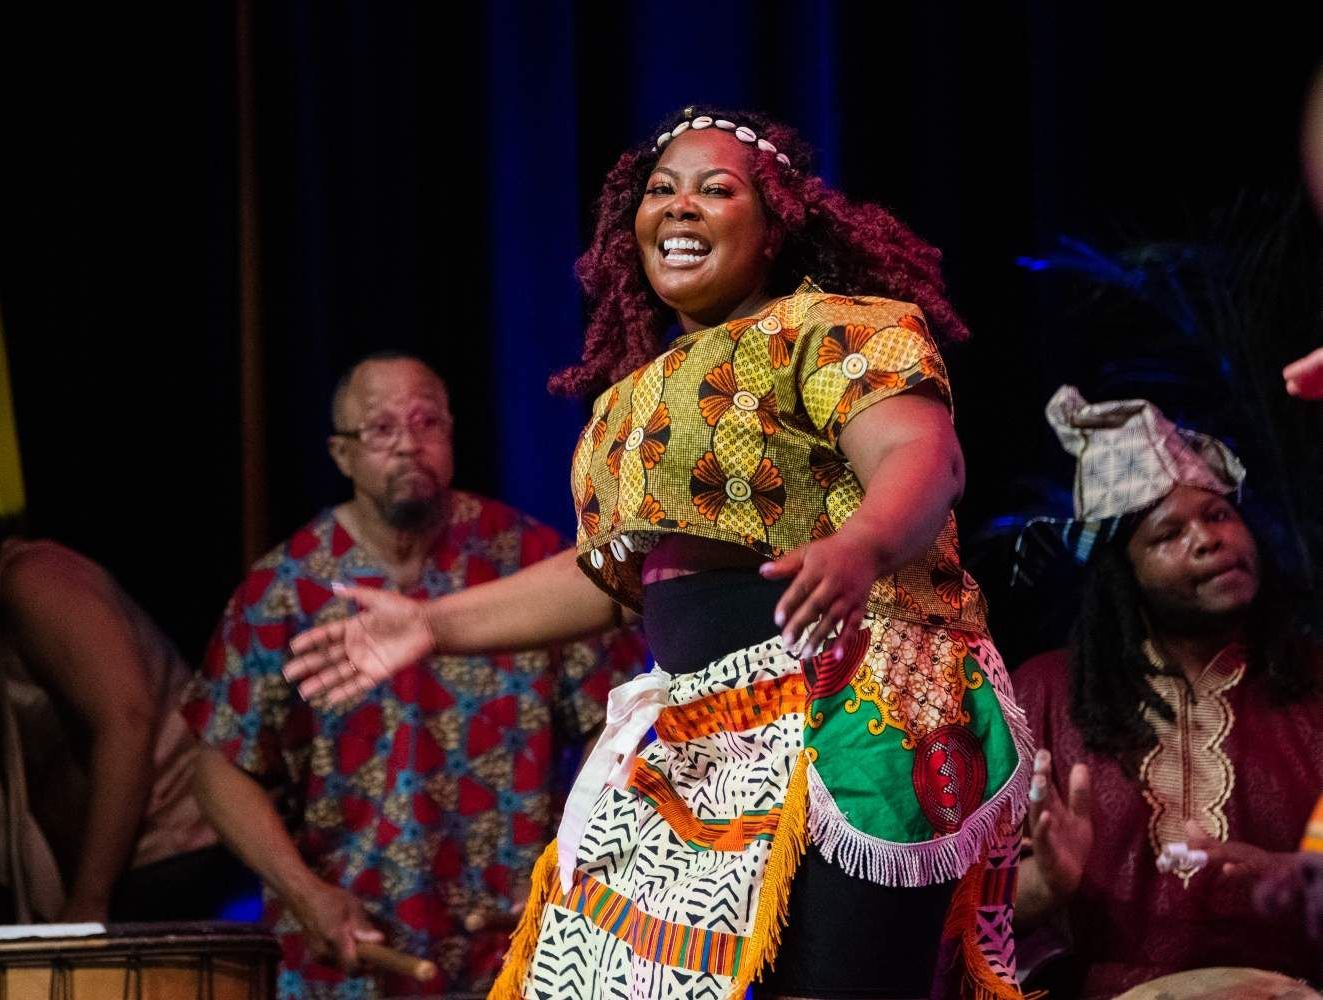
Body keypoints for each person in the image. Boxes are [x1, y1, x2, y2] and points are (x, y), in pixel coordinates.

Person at [284, 108, 1032, 1000]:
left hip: (852, 700)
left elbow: (923, 456)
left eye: (717, 189)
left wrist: (861, 544)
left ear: (776, 225)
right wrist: (432, 625)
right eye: (660, 191)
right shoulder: (629, 400)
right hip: (707, 725)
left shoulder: (835, 330)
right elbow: (610, 576)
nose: (680, 208)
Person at [182, 353, 647, 1000]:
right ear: (340, 454)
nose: (408, 442)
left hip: (511, 944)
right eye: (380, 428)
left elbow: (623, 719)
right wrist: (305, 893)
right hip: (351, 955)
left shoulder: (527, 561)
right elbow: (217, 765)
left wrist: (567, 863)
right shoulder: (283, 589)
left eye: (427, 421)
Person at [1013, 386, 1323, 997]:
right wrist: (1048, 887)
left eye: (1218, 515)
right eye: (1167, 535)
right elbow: (957, 912)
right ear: (1122, 577)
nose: (1208, 540)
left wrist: (1308, 878)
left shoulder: (1315, 681)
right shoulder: (1044, 692)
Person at [0, 462, 250, 924]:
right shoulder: (7, 612)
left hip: (177, 856)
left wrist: (88, 900)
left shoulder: (33, 583)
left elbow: (125, 720)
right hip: (157, 867)